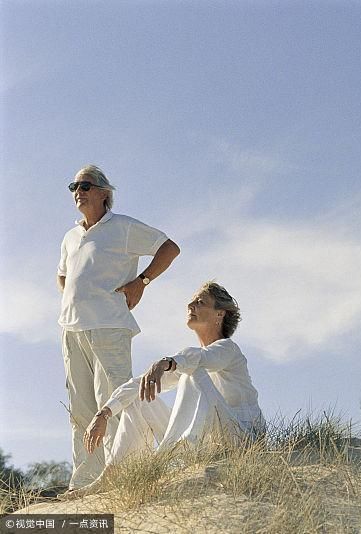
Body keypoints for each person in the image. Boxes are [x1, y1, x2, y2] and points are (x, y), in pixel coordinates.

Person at [57, 164, 181, 490]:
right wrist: (75, 297)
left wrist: (142, 281)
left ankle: (119, 476)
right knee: (80, 410)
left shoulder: (122, 227)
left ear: (104, 193)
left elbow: (169, 247)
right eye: (74, 186)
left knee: (110, 402)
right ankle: (84, 483)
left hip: (110, 327)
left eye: (85, 185)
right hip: (71, 330)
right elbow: (62, 275)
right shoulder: (71, 237)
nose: (78, 192)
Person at [78, 282, 263, 495]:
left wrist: (165, 363)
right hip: (205, 446)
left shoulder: (228, 349)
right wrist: (105, 413)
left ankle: (167, 457)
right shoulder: (188, 360)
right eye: (192, 301)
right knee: (141, 399)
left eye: (200, 302)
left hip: (242, 440)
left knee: (192, 372)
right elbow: (140, 383)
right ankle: (111, 477)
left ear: (220, 314)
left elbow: (202, 358)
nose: (190, 304)